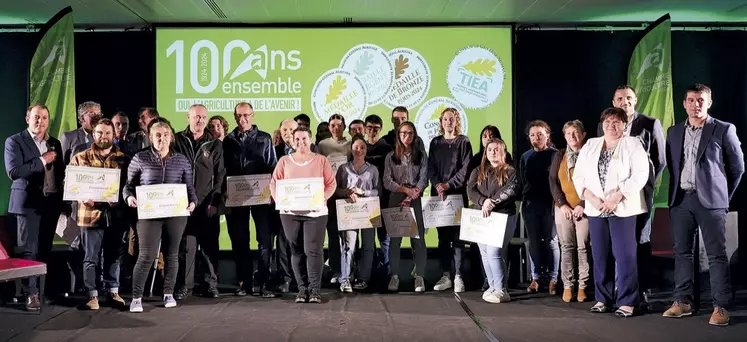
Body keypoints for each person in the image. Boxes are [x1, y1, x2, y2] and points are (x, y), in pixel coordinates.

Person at [662, 84, 744, 326]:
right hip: (681, 200)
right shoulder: (673, 132)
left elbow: (738, 168)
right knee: (682, 253)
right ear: (684, 103)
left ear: (709, 102)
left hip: (712, 203)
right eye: (691, 100)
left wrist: (723, 197)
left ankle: (720, 306)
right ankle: (682, 301)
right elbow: (672, 164)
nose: (695, 104)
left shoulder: (724, 129)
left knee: (717, 255)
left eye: (700, 100)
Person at [572, 107, 649, 317]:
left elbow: (641, 174)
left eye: (616, 122)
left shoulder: (632, 144)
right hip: (596, 209)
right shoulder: (590, 144)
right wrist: (593, 199)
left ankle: (627, 301)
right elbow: (578, 177)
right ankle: (602, 298)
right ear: (602, 124)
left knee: (625, 255)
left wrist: (617, 197)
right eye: (608, 122)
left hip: (623, 207)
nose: (611, 126)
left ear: (624, 125)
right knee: (600, 255)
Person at [598, 85, 666, 300]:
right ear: (613, 101)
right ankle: (618, 290)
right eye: (619, 98)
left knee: (640, 240)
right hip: (611, 196)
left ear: (635, 100)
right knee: (617, 244)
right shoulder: (605, 126)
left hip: (639, 194)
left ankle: (642, 290)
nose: (624, 102)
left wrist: (641, 182)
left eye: (628, 98)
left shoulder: (649, 124)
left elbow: (660, 159)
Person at [123, 117, 197, 313]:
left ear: (171, 137)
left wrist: (193, 202)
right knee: (146, 255)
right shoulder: (140, 158)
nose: (161, 139)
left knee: (172, 255)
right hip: (148, 215)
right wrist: (129, 198)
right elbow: (128, 187)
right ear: (150, 137)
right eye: (157, 135)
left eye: (165, 135)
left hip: (176, 214)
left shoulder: (181, 159)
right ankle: (136, 297)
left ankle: (168, 293)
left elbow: (190, 188)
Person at [4, 104, 65, 311]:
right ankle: (30, 294)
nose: (41, 122)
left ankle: (41, 289)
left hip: (50, 204)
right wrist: (42, 159)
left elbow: (61, 174)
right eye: (36, 117)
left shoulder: (54, 143)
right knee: (29, 251)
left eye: (45, 118)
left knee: (44, 249)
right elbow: (14, 171)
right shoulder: (14, 141)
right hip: (27, 204)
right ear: (27, 118)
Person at [270, 126, 336, 303]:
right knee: (296, 250)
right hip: (290, 213)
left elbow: (331, 184)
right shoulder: (284, 161)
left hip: (315, 213)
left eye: (304, 139)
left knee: (313, 250)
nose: (301, 143)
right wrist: (280, 200)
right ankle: (302, 289)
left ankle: (314, 290)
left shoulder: (321, 160)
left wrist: (322, 198)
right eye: (297, 139)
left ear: (311, 139)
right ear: (292, 141)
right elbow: (274, 183)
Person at [69, 118, 129, 310]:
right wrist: (82, 197)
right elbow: (70, 185)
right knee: (90, 257)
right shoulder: (80, 157)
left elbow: (129, 186)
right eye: (100, 133)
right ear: (93, 134)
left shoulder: (123, 159)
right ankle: (92, 295)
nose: (104, 137)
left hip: (115, 215)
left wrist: (118, 199)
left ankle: (113, 290)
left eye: (108, 133)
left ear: (114, 135)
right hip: (89, 215)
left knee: (113, 256)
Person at [223, 102, 278, 297]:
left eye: (246, 115)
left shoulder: (265, 138)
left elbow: (273, 168)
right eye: (239, 115)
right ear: (234, 116)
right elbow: (224, 170)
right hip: (237, 198)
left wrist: (272, 192)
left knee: (264, 240)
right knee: (240, 240)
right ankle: (244, 282)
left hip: (261, 198)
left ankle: (264, 283)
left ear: (252, 115)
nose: (242, 119)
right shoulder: (228, 141)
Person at [173, 104, 225, 300]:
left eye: (203, 117)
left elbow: (220, 176)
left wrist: (214, 202)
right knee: (185, 247)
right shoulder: (177, 140)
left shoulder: (214, 144)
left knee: (210, 246)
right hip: (183, 204)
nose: (200, 120)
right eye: (196, 117)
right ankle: (184, 286)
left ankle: (211, 284)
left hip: (207, 204)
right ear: (188, 117)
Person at [467, 138, 519, 303]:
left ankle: (502, 290)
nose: (493, 152)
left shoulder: (511, 171)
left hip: (503, 216)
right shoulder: (478, 170)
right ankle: (493, 286)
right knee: (484, 253)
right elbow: (471, 190)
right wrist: (484, 202)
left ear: (503, 151)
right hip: (482, 217)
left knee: (494, 252)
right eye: (490, 149)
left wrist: (492, 202)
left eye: (496, 149)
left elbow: (511, 189)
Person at [427, 108, 473, 293]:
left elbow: (466, 168)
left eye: (451, 119)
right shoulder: (435, 142)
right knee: (443, 238)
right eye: (445, 119)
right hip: (438, 196)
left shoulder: (464, 141)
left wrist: (448, 185)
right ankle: (446, 274)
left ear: (456, 121)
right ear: (441, 121)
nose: (448, 122)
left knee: (457, 238)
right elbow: (430, 167)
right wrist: (438, 184)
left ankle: (459, 275)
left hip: (456, 195)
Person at [383, 121, 428, 292]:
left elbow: (423, 180)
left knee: (418, 240)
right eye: (403, 133)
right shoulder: (390, 156)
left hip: (415, 199)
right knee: (395, 241)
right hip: (396, 199)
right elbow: (387, 181)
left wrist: (412, 194)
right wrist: (404, 191)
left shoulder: (421, 156)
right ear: (398, 135)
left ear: (414, 135)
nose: (406, 136)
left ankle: (420, 277)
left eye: (409, 133)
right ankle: (394, 276)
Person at [549, 120, 590, 303]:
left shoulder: (590, 154)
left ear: (583, 135)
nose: (572, 136)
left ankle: (583, 286)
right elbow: (552, 181)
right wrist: (562, 204)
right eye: (568, 133)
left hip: (586, 208)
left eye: (576, 133)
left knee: (583, 247)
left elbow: (596, 182)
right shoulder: (560, 154)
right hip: (563, 208)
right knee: (566, 247)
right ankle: (568, 285)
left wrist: (582, 204)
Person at [334, 135, 380, 292]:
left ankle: (363, 279)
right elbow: (336, 190)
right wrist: (347, 192)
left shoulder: (373, 169)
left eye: (362, 147)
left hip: (368, 212)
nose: (359, 150)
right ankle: (345, 278)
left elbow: (377, 191)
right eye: (356, 147)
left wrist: (363, 192)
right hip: (350, 213)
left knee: (368, 247)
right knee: (349, 245)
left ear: (366, 150)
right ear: (351, 149)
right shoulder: (343, 169)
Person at [519, 120, 560, 294]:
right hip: (530, 205)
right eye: (533, 134)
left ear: (547, 135)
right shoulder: (525, 156)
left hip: (551, 205)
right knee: (533, 242)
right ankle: (535, 278)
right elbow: (522, 181)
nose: (536, 137)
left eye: (540, 134)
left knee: (552, 241)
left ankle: (554, 278)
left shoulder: (556, 155)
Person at [317, 114, 352, 284]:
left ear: (344, 126)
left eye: (339, 125)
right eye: (332, 125)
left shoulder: (351, 144)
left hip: (346, 194)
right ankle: (336, 270)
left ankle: (350, 270)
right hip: (330, 195)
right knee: (332, 235)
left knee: (349, 236)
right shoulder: (322, 145)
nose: (336, 128)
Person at [363, 114, 393, 277]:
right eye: (369, 127)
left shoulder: (387, 149)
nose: (372, 131)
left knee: (384, 238)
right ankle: (370, 270)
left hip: (384, 199)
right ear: (365, 128)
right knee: (367, 240)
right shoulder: (361, 147)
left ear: (380, 129)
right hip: (365, 201)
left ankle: (387, 271)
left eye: (375, 128)